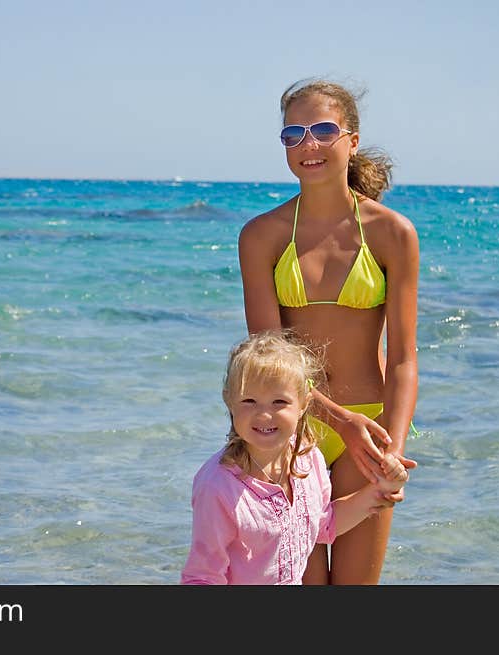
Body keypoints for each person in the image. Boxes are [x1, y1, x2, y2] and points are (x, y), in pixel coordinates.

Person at [237, 78, 420, 584]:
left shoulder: (392, 232)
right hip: (288, 431)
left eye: (322, 130)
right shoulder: (261, 236)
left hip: (371, 432)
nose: (308, 145)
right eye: (292, 134)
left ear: (352, 140)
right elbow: (268, 362)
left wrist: (391, 450)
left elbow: (404, 357)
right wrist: (337, 421)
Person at [180, 330, 412, 585]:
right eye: (249, 401)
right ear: (229, 401)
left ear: (303, 404)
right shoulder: (218, 487)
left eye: (279, 402)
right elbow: (202, 577)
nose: (264, 415)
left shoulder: (308, 459)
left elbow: (325, 524)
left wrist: (380, 490)